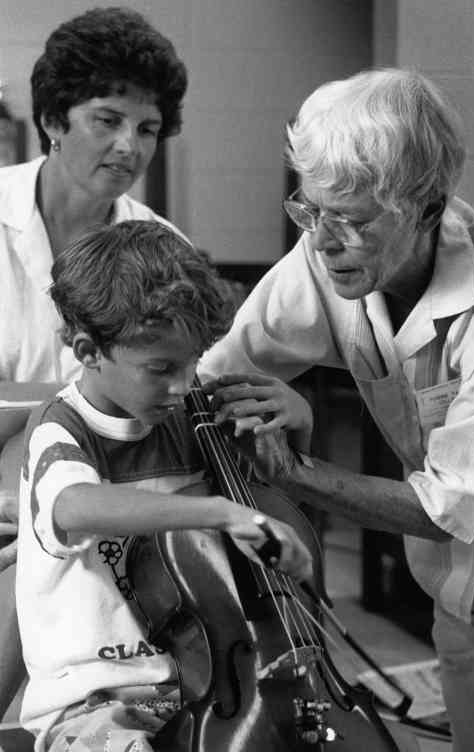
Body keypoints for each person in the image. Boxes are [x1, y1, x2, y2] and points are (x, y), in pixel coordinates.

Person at [198, 68, 474, 752]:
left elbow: (443, 510)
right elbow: (219, 371)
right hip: (465, 587)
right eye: (310, 209)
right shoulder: (329, 253)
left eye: (352, 219)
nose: (321, 239)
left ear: (428, 208)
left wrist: (293, 470)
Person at [16, 219, 312, 752]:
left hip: (205, 685)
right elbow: (75, 505)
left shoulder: (193, 420)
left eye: (194, 362)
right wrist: (220, 512)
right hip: (99, 701)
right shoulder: (62, 429)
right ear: (87, 350)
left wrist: (297, 422)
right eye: (160, 368)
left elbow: (264, 510)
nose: (183, 385)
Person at [0, 5, 188, 718]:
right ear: (52, 118)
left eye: (146, 129)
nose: (128, 147)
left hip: (87, 503)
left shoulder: (162, 247)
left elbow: (167, 393)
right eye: (106, 120)